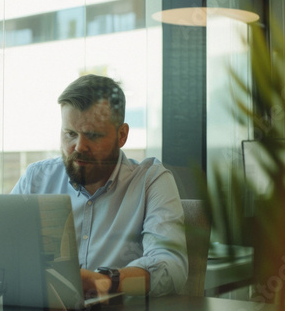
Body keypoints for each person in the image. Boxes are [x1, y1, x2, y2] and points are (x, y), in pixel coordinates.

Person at [11, 74, 188, 297]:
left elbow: (171, 270)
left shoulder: (150, 180)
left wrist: (105, 282)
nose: (79, 146)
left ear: (122, 135)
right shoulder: (36, 179)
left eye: (92, 135)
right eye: (70, 134)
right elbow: (3, 249)